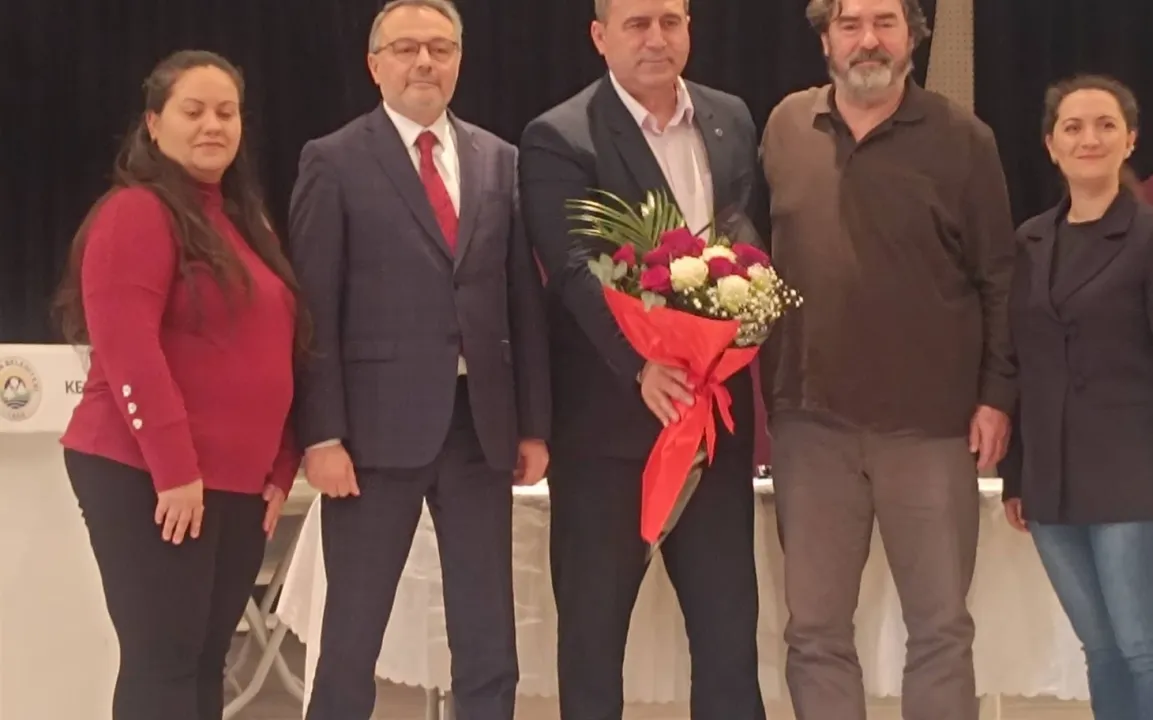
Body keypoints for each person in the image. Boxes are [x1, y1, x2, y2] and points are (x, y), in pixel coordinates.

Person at [753, 0, 1018, 718]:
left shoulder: (964, 139)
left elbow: (999, 277)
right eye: (850, 24)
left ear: (912, 36)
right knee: (814, 632)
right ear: (825, 39)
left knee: (939, 630)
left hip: (932, 426)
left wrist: (996, 394)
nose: (867, 39)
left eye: (885, 22)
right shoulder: (785, 126)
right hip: (810, 428)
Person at [287, 0, 552, 718]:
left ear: (460, 59)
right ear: (375, 65)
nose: (425, 62)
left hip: (480, 429)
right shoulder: (333, 160)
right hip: (371, 436)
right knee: (351, 638)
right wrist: (321, 434)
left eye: (440, 47)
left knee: (488, 637)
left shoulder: (499, 159)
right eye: (406, 48)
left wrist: (533, 425)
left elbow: (522, 301)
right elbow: (313, 309)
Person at [517, 0, 765, 717]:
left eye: (670, 21)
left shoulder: (729, 117)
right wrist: (641, 365)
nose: (656, 38)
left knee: (728, 643)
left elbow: (745, 239)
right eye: (636, 24)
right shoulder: (560, 136)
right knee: (592, 646)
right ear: (600, 37)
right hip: (608, 437)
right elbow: (573, 269)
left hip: (713, 428)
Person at [53, 50, 304, 720]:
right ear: (154, 123)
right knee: (163, 662)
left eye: (226, 112)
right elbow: (128, 349)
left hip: (236, 482)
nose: (212, 125)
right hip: (149, 472)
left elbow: (284, 352)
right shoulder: (135, 213)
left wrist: (282, 465)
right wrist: (174, 470)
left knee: (205, 660)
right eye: (193, 111)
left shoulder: (248, 226)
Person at [999, 74, 1153, 720]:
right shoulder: (1031, 240)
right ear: (1050, 145)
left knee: (1150, 647)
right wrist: (1017, 476)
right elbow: (1024, 365)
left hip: (1135, 481)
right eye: (1073, 127)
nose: (1088, 138)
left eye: (1105, 125)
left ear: (1130, 140)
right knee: (1102, 650)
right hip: (1052, 485)